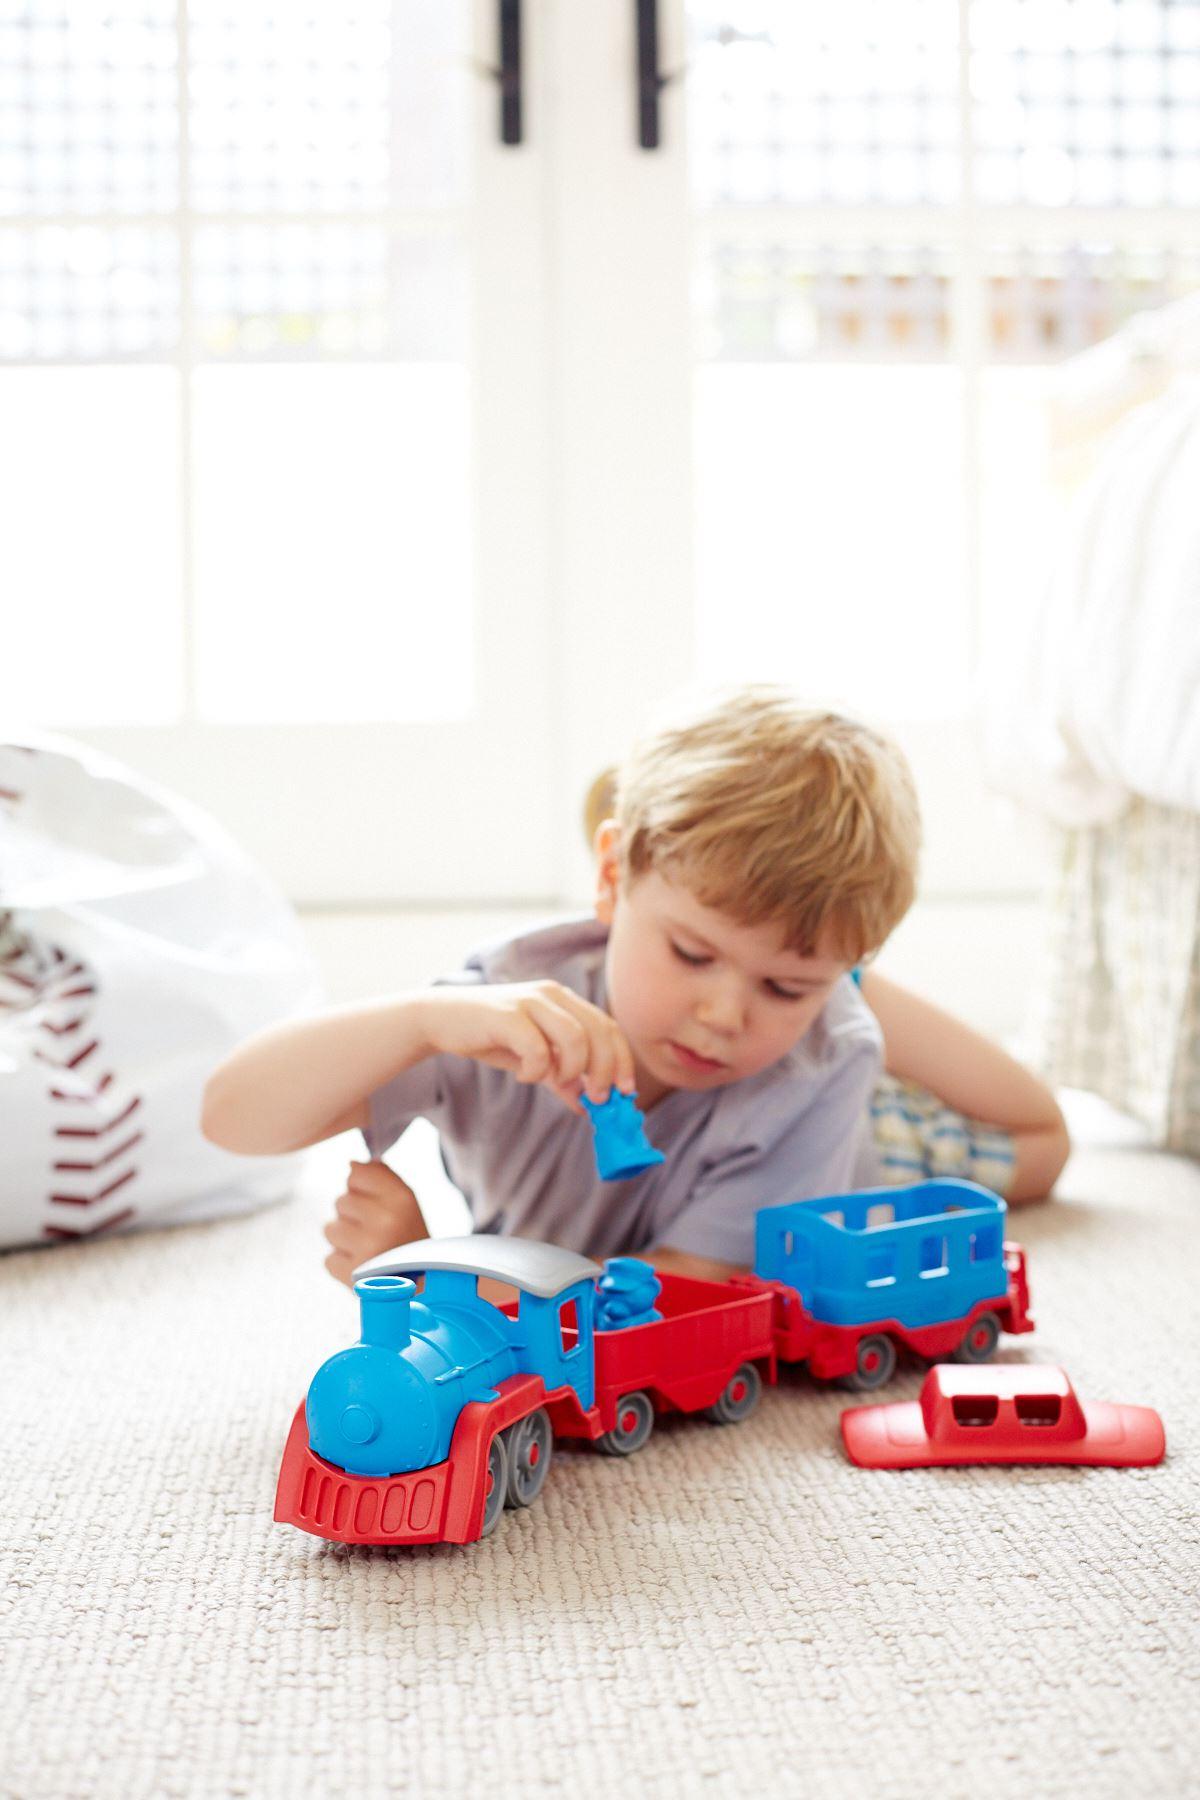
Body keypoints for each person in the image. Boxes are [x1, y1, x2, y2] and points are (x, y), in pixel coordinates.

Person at [202, 686, 1069, 1287]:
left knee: (1043, 1144)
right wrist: (423, 1019)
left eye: (781, 984)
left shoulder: (819, 1072)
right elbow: (231, 1118)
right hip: (798, 1030)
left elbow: (676, 1291)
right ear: (612, 875)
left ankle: (846, 986)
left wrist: (429, 1278)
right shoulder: (499, 1007)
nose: (722, 1015)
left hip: (862, 1142)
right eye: (691, 954)